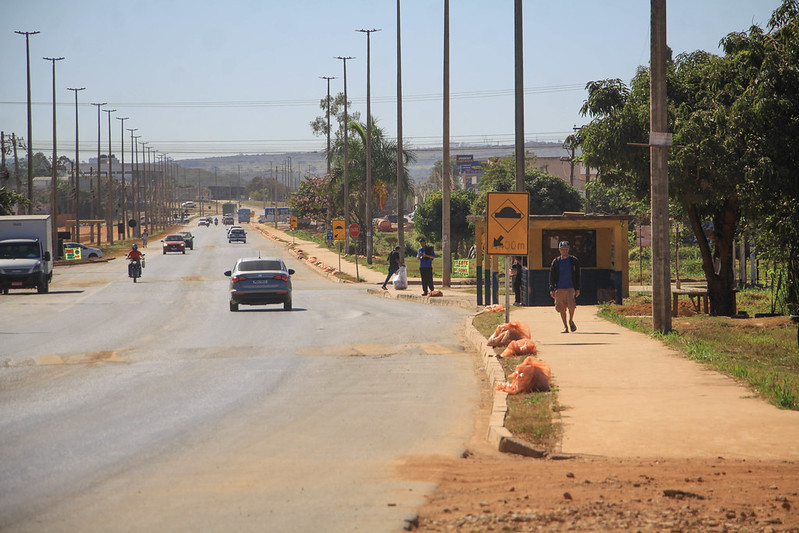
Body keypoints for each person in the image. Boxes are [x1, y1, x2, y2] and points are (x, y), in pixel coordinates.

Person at [549, 240, 581, 333]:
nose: (564, 251)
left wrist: (577, 288)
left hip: (571, 287)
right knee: (561, 308)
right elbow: (552, 276)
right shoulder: (556, 262)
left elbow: (578, 275)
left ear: (569, 249)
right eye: (563, 249)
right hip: (559, 288)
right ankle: (565, 327)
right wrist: (552, 288)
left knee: (571, 306)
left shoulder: (573, 261)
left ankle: (571, 320)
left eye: (566, 249)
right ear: (559, 250)